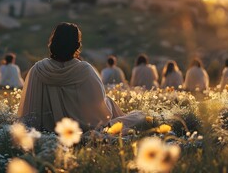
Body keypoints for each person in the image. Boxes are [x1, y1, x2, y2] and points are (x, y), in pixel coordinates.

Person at [17, 22, 145, 132]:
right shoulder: (85, 70)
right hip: (79, 128)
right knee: (133, 113)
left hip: (46, 128)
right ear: (77, 46)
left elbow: (30, 108)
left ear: (52, 43)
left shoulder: (38, 69)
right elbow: (98, 104)